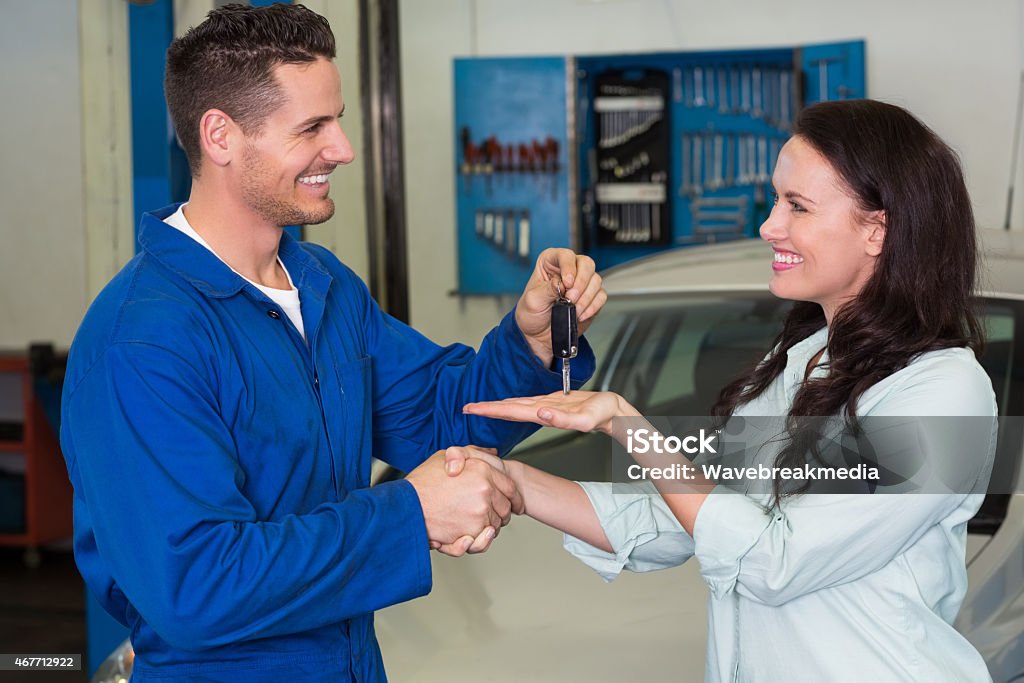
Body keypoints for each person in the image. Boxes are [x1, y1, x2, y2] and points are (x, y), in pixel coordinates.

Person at [59, 4, 606, 681]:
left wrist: (529, 343)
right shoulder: (141, 341)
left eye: (338, 119)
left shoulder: (325, 288)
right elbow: (194, 584)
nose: (343, 148)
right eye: (314, 126)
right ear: (221, 136)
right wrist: (410, 512)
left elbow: (440, 417)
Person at [457, 100, 998, 681]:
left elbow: (773, 562)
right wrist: (508, 478)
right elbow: (675, 521)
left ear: (877, 230)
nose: (769, 226)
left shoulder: (944, 391)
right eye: (775, 200)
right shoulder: (796, 365)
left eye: (798, 206)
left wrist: (625, 425)